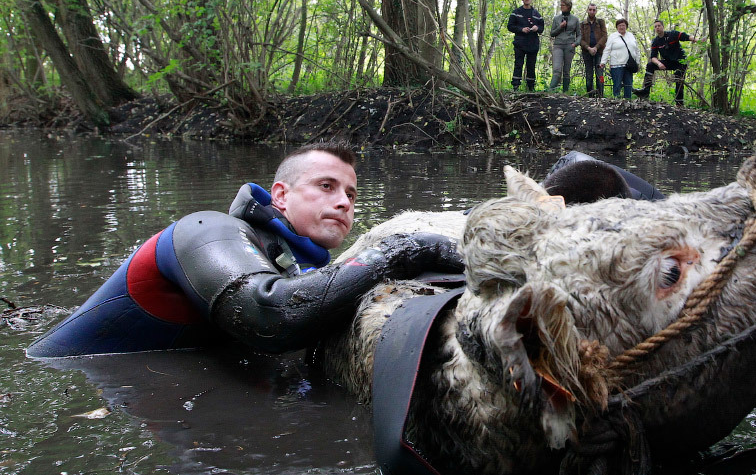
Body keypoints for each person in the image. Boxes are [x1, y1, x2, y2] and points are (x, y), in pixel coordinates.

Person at [28, 142, 463, 358]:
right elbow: (268, 315)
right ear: (279, 195)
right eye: (326, 186)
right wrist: (406, 249)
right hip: (69, 379)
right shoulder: (206, 230)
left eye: (351, 193)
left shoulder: (301, 273)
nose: (344, 201)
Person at [633, 20, 704, 105]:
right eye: (655, 26)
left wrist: (698, 40)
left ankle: (679, 103)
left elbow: (686, 37)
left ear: (663, 26)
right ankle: (645, 91)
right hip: (668, 62)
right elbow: (653, 57)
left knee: (678, 77)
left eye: (659, 26)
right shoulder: (656, 41)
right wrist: (659, 63)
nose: (657, 28)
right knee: (650, 65)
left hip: (681, 61)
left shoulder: (672, 34)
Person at [507, 0, 545, 91]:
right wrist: (521, 29)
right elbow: (510, 26)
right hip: (520, 43)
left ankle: (531, 87)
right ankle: (515, 87)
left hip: (533, 44)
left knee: (531, 66)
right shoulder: (516, 12)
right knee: (518, 64)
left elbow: (542, 28)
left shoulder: (536, 14)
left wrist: (537, 28)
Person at [599, 18, 639, 99]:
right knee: (617, 84)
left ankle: (628, 101)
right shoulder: (613, 36)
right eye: (619, 25)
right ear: (617, 27)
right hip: (616, 65)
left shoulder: (631, 35)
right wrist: (603, 62)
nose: (621, 27)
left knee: (628, 84)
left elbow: (636, 49)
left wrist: (637, 62)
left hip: (629, 65)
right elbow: (607, 50)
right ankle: (616, 101)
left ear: (626, 26)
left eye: (623, 25)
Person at [548, 0, 580, 92]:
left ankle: (565, 93)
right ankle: (550, 90)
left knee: (566, 71)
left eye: (563, 5)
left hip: (569, 46)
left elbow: (579, 35)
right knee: (557, 69)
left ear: (569, 6)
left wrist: (575, 44)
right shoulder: (556, 18)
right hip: (558, 45)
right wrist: (560, 27)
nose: (561, 7)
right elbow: (552, 33)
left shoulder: (575, 19)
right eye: (561, 5)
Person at [579, 3, 607, 97]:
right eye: (590, 9)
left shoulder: (600, 22)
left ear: (596, 11)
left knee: (600, 74)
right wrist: (588, 48)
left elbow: (604, 36)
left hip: (599, 52)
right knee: (589, 74)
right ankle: (590, 96)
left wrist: (596, 47)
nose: (592, 11)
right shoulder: (582, 24)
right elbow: (580, 39)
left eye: (594, 10)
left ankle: (601, 95)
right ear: (587, 10)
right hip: (587, 52)